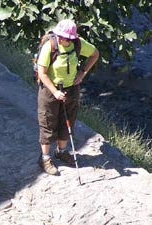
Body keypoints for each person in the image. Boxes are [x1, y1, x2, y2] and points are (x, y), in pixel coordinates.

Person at [37, 19, 99, 175]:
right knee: (48, 122)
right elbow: (42, 73)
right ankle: (45, 158)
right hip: (50, 90)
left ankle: (62, 151)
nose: (60, 38)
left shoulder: (78, 44)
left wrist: (82, 72)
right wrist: (55, 91)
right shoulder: (49, 46)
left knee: (68, 120)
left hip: (71, 88)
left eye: (64, 37)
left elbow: (95, 54)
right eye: (59, 35)